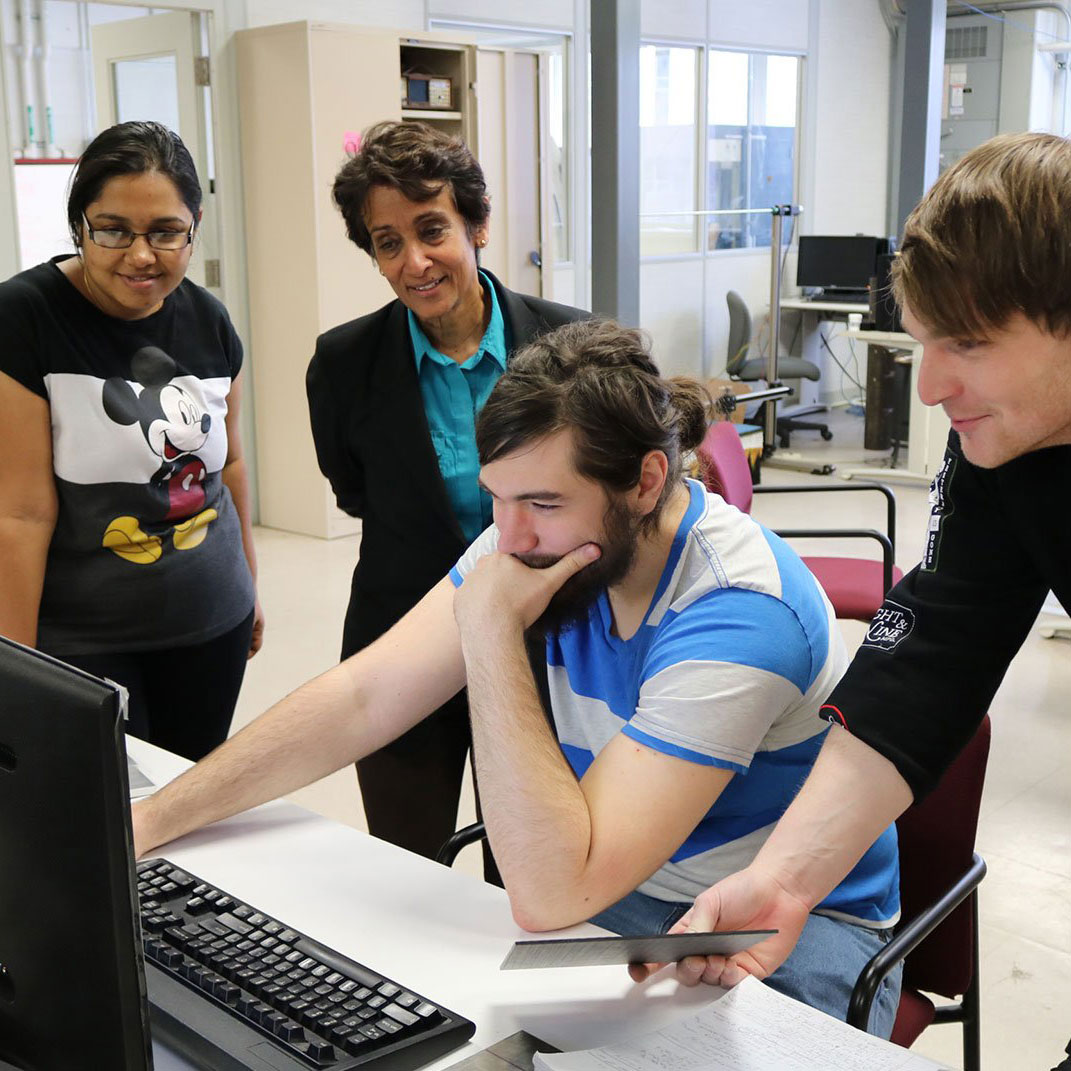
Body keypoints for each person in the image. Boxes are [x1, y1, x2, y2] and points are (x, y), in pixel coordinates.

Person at [134, 319, 901, 1036]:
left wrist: (492, 633)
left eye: (540, 501)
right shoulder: (543, 541)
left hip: (787, 932)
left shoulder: (738, 609)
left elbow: (551, 892)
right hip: (626, 896)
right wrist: (154, 820)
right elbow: (363, 697)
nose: (509, 536)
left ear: (644, 480)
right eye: (497, 499)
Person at [630, 131, 1071, 1062]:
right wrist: (784, 880)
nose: (933, 387)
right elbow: (932, 656)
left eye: (970, 343)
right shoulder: (1002, 438)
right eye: (922, 342)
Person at [305, 120, 586, 870]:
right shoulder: (343, 363)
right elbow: (355, 490)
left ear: (478, 222)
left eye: (431, 229)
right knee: (403, 869)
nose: (413, 261)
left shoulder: (574, 346)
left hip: (548, 647)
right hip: (400, 637)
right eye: (387, 242)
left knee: (528, 870)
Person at [0, 120, 262, 762]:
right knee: (92, 818)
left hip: (210, 620)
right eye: (112, 229)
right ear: (79, 226)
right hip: (83, 638)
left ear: (193, 227)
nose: (141, 255)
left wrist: (251, 584)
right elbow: (21, 512)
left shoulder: (210, 319)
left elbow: (228, 464)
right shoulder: (25, 317)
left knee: (190, 807)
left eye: (166, 232)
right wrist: (14, 667)